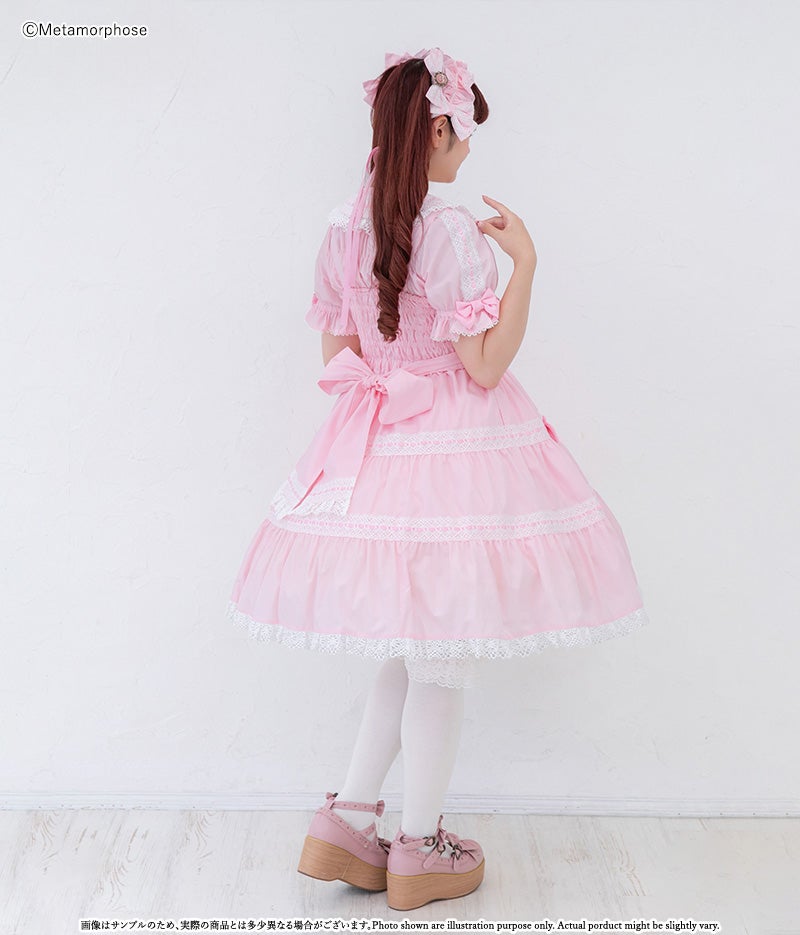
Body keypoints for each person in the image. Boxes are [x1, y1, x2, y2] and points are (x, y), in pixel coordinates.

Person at [226, 46, 650, 911]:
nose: (468, 146)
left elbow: (339, 357)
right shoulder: (449, 230)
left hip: (375, 441)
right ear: (437, 130)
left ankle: (349, 818)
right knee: (441, 655)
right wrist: (526, 265)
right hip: (455, 446)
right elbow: (484, 366)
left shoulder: (344, 225)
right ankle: (420, 844)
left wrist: (392, 368)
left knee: (409, 641)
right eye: (463, 129)